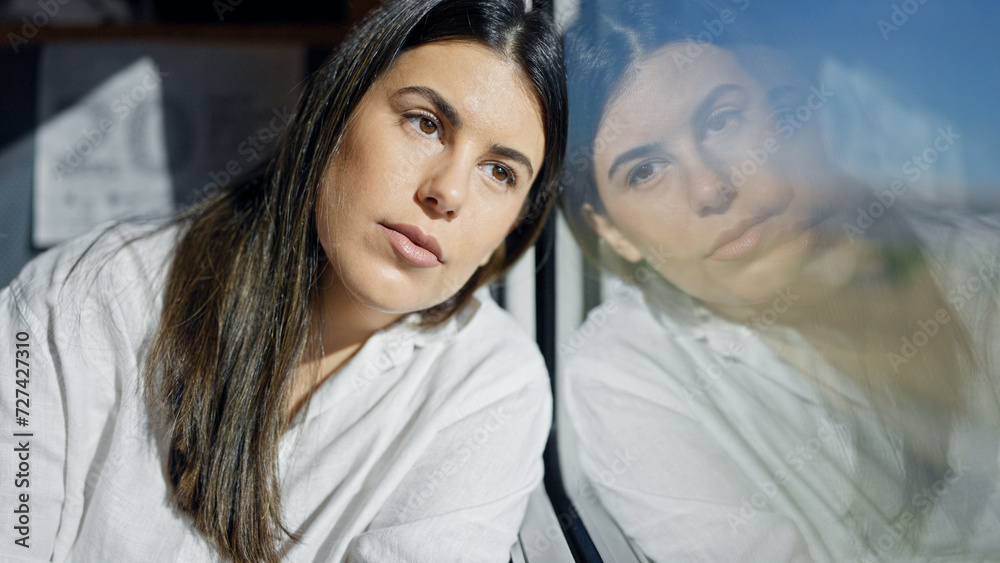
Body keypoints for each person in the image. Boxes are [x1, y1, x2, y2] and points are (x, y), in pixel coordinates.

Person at [0, 0, 567, 561]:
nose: (449, 192)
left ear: (518, 219)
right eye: (425, 123)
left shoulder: (493, 387)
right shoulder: (90, 295)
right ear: (336, 110)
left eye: (500, 171)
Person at [558, 2, 1000, 562]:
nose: (710, 188)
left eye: (721, 120)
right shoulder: (624, 369)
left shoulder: (977, 264)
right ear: (609, 231)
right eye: (645, 171)